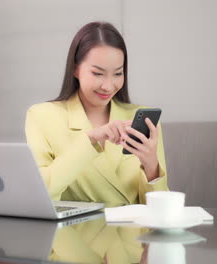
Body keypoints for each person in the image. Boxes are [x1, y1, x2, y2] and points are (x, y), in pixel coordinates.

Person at [25, 21, 168, 207]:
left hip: (133, 233)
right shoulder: (42, 116)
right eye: (98, 73)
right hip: (77, 234)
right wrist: (90, 140)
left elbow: (160, 208)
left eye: (118, 74)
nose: (108, 86)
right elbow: (41, 192)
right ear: (76, 69)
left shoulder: (139, 120)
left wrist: (151, 167)